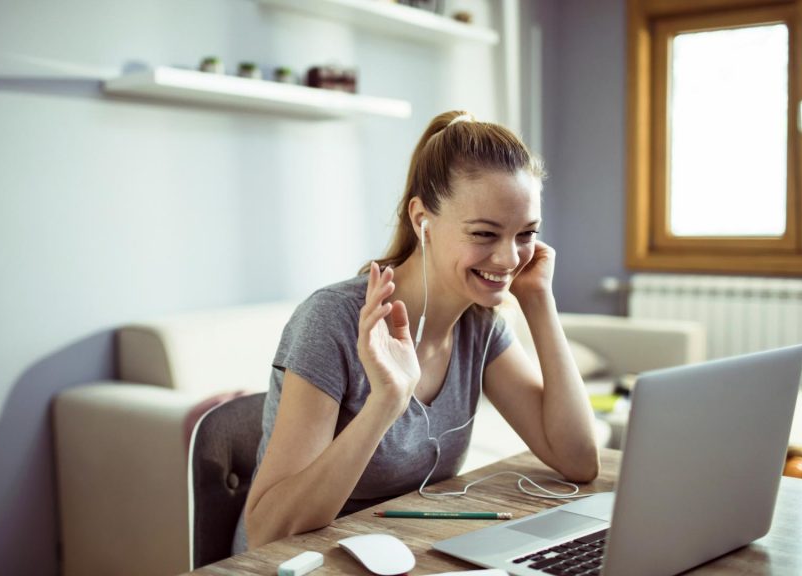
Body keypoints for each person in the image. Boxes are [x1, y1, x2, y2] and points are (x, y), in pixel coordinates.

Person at [233, 110, 599, 552]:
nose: (508, 259)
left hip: (404, 551)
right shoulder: (331, 320)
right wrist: (386, 401)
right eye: (484, 233)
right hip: (303, 562)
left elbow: (578, 460)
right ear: (422, 218)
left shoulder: (479, 326)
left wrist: (539, 302)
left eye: (526, 234)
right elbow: (267, 530)